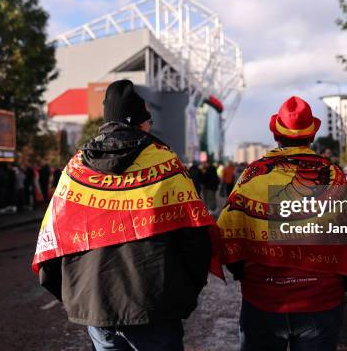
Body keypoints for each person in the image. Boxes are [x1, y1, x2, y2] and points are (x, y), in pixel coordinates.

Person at [33, 79, 216, 351]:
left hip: (97, 306)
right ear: (141, 123)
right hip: (154, 305)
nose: (150, 126)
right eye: (148, 120)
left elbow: (52, 241)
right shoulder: (165, 162)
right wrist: (186, 291)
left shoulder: (75, 169)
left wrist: (77, 295)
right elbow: (195, 237)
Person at [217, 96, 347, 351]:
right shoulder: (333, 175)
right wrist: (343, 283)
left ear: (276, 135)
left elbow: (227, 231)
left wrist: (243, 273)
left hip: (263, 299)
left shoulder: (252, 175)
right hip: (320, 301)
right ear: (311, 136)